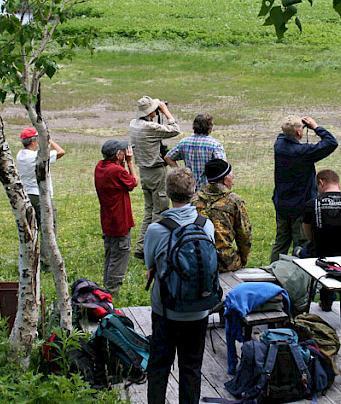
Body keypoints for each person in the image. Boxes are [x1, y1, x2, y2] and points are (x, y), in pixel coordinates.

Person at [145, 168, 215, 404]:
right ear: (194, 192)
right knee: (191, 367)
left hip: (166, 308)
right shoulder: (206, 225)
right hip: (200, 308)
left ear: (167, 193)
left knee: (159, 365)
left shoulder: (156, 229)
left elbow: (149, 264)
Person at [270, 115, 338, 263]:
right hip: (301, 206)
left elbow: (285, 134)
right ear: (299, 133)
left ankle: (272, 272)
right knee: (302, 243)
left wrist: (297, 126)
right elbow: (331, 143)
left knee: (280, 242)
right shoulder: (303, 152)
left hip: (282, 203)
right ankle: (301, 274)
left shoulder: (279, 145)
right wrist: (315, 127)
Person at [302, 169, 341, 311]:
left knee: (301, 252)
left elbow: (309, 235)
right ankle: (327, 299)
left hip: (319, 253)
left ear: (321, 183)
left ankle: (307, 299)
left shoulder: (312, 204)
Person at [129, 96, 180, 259]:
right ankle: (153, 250)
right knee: (160, 211)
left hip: (144, 172)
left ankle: (141, 248)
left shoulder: (134, 124)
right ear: (151, 111)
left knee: (149, 211)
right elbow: (175, 129)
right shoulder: (150, 127)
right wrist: (165, 112)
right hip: (157, 172)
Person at [16, 127, 65, 273]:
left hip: (27, 195)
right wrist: (49, 140)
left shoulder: (20, 155)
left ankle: (31, 258)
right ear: (34, 141)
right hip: (41, 196)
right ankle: (47, 262)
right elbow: (61, 152)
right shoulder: (38, 156)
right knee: (48, 228)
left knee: (32, 227)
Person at [192, 159, 252, 272]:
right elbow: (244, 234)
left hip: (199, 260)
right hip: (225, 262)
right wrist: (243, 258)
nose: (233, 183)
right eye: (232, 178)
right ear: (225, 180)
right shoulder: (234, 201)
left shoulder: (194, 200)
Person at [94, 140, 138, 293]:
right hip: (119, 222)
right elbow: (133, 182)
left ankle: (106, 288)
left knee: (110, 254)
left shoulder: (100, 166)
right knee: (120, 256)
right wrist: (130, 163)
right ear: (118, 154)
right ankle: (112, 291)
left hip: (108, 220)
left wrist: (121, 163)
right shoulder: (117, 172)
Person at [165, 113, 226, 192]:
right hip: (208, 189)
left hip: (189, 188)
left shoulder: (184, 142)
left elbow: (168, 157)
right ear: (210, 128)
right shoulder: (214, 145)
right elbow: (223, 164)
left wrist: (180, 172)